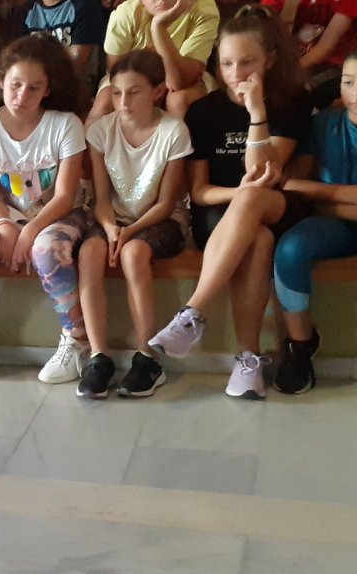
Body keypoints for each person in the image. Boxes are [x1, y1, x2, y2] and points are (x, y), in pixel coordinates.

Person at [149, 6, 311, 400]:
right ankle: (248, 361)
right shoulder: (204, 111)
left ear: (269, 60)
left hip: (279, 206)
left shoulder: (291, 102)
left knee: (256, 199)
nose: (237, 73)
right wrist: (241, 195)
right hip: (222, 215)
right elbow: (200, 192)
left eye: (247, 62)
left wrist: (257, 113)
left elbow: (263, 172)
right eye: (226, 64)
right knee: (256, 238)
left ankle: (193, 312)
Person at [0, 35, 88, 382]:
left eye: (33, 87)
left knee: (46, 249)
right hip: (7, 216)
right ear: (1, 81)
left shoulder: (65, 125)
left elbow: (64, 196)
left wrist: (29, 231)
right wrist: (6, 227)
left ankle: (76, 338)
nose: (22, 96)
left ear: (47, 90)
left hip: (59, 214)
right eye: (15, 85)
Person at [77, 50, 192, 399]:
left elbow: (167, 202)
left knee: (133, 254)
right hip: (114, 217)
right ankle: (99, 357)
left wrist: (128, 233)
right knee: (89, 253)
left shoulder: (173, 131)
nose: (124, 102)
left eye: (134, 92)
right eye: (116, 93)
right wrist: (112, 228)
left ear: (157, 92)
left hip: (161, 218)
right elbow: (101, 198)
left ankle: (147, 358)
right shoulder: (101, 131)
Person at [275, 50, 357, 393]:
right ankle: (300, 345)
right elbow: (293, 183)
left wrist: (325, 195)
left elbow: (310, 190)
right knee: (291, 247)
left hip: (330, 212)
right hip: (336, 225)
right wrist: (336, 199)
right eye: (349, 82)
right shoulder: (324, 124)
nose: (356, 92)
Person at [92, 0, 219, 120]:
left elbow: (179, 82)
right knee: (106, 101)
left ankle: (183, 137)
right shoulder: (127, 11)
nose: (161, 1)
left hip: (186, 79)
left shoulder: (203, 9)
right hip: (132, 76)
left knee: (180, 100)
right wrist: (145, 89)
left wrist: (159, 27)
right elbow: (116, 72)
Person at [262, 0, 357, 108]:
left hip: (334, 66)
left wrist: (288, 73)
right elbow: (273, 39)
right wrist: (290, 6)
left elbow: (324, 48)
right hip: (288, 61)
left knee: (301, 93)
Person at [24, 0, 110, 76]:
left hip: (76, 79)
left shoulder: (84, 5)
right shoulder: (27, 9)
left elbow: (77, 62)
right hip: (33, 77)